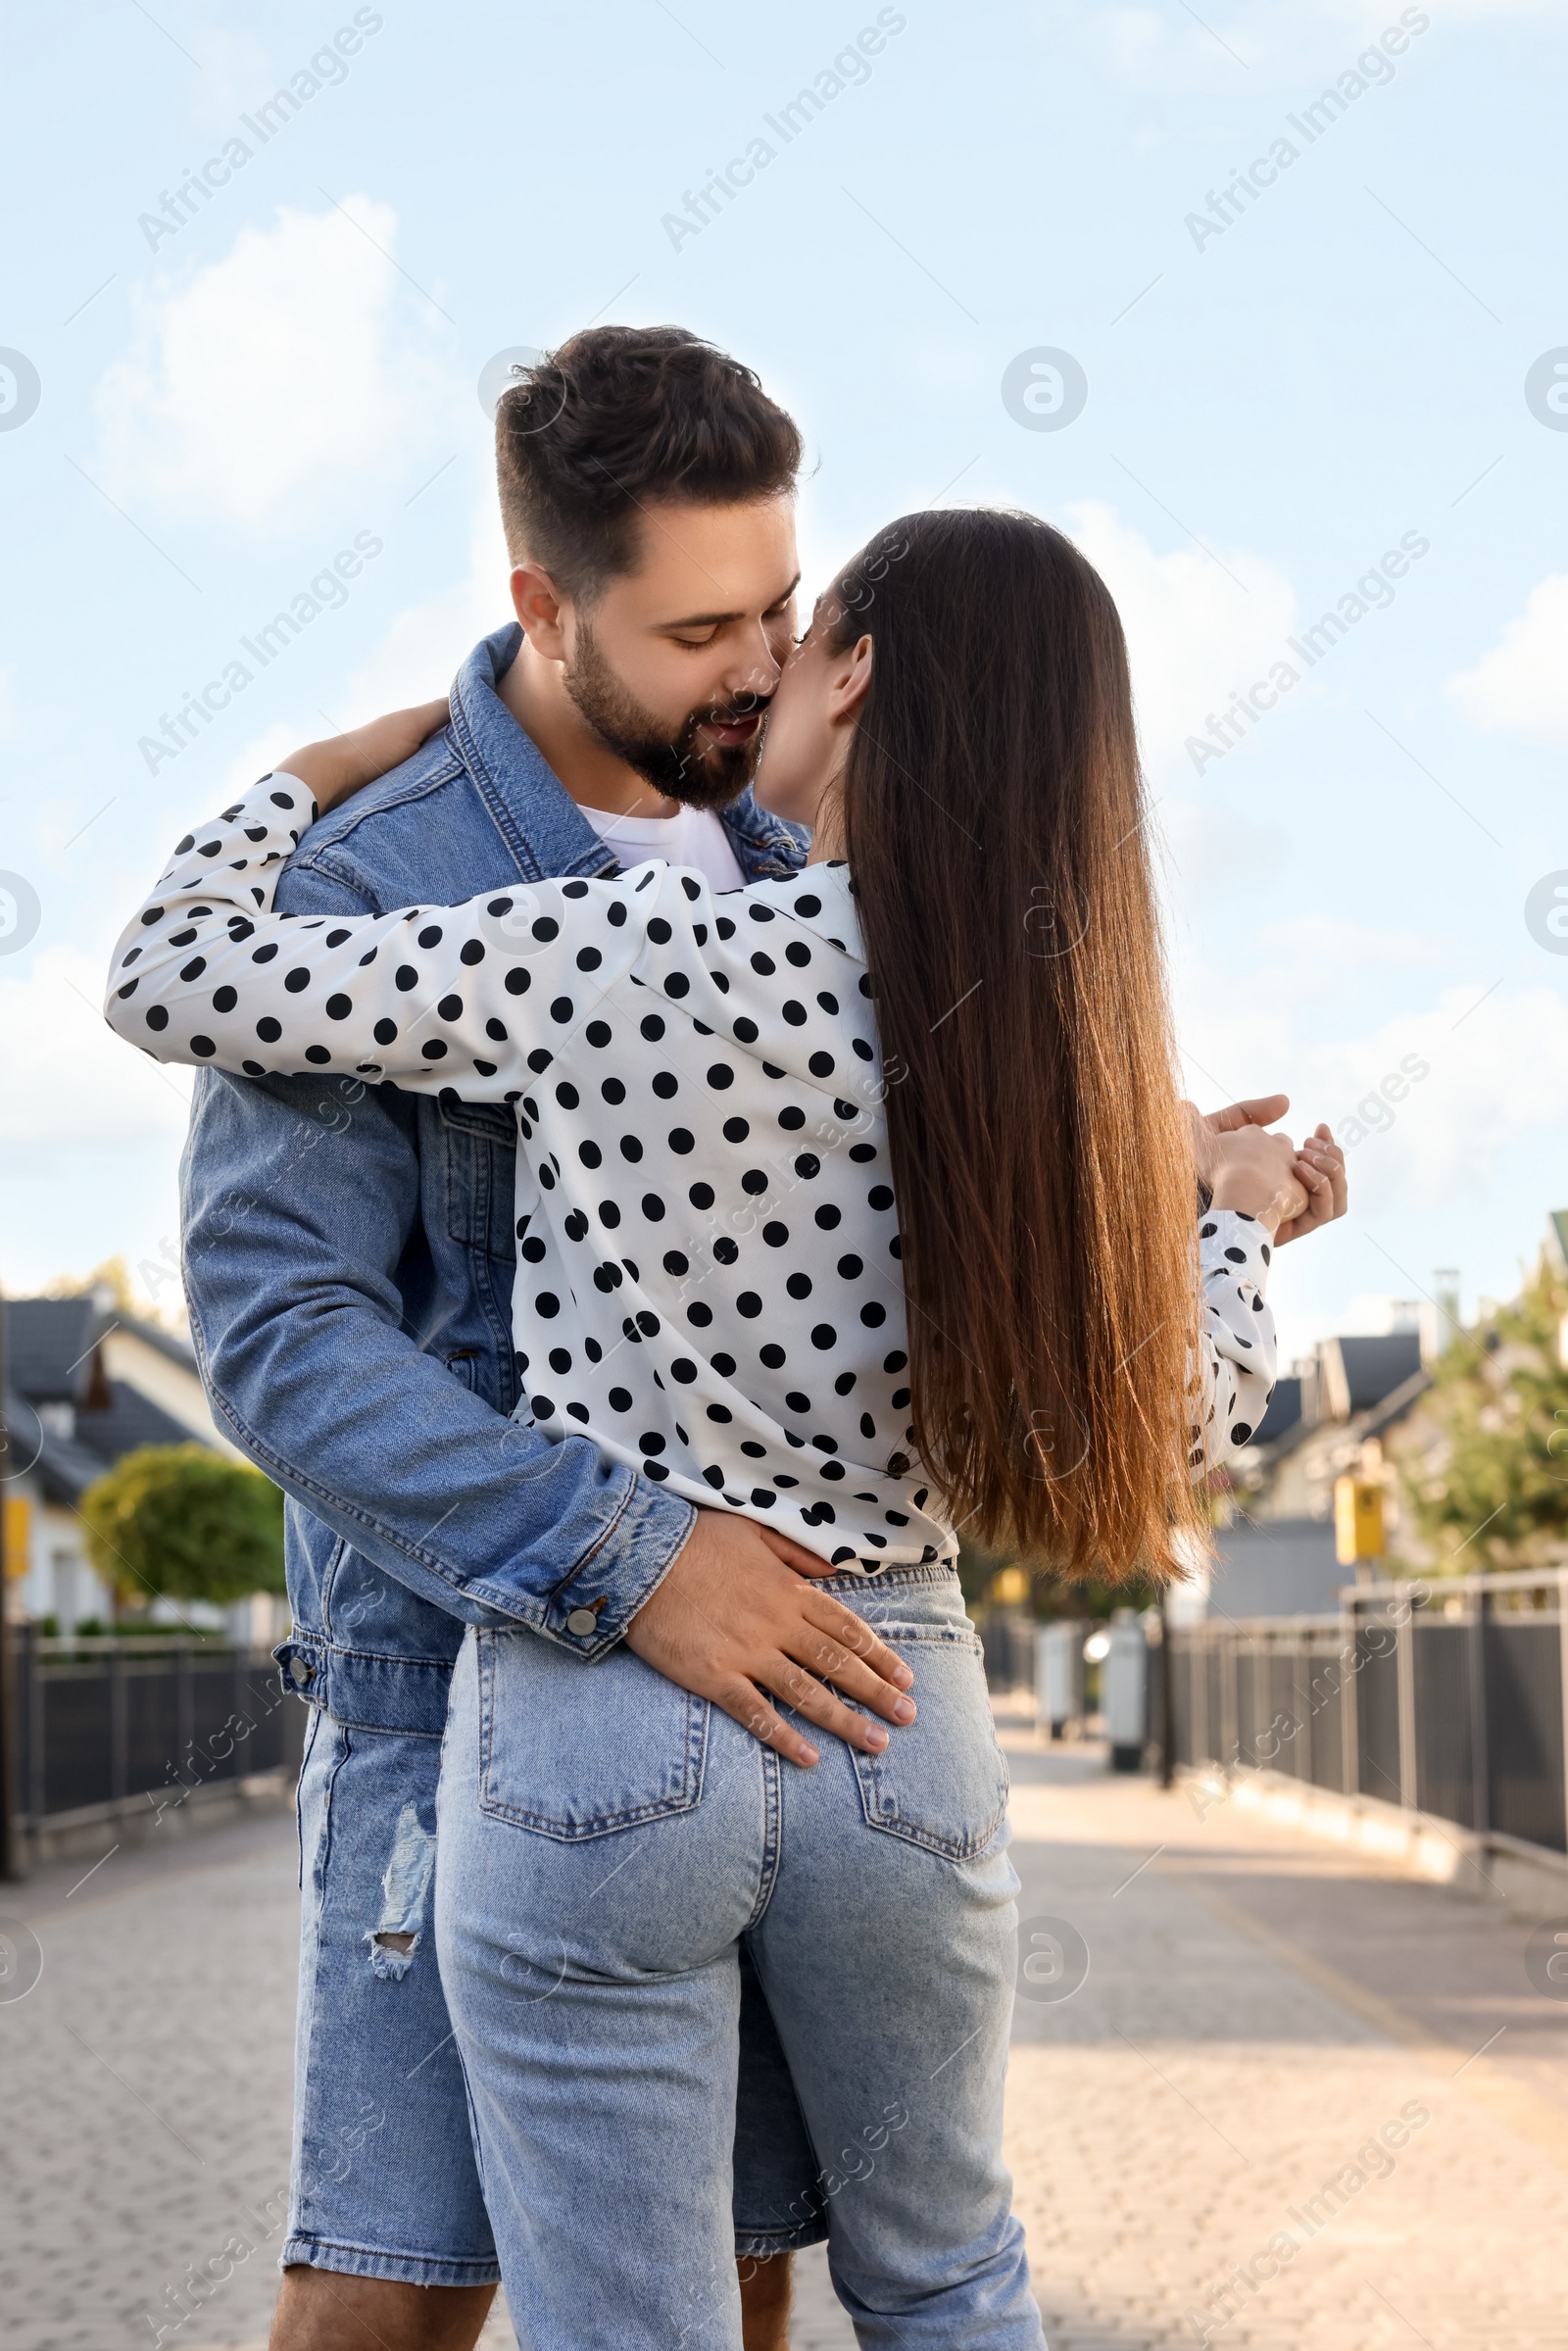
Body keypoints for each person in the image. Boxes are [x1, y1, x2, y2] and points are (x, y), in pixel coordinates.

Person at [108, 505, 1346, 2347]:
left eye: (801, 623)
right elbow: (1196, 1415)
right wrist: (1233, 1211)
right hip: (895, 1721)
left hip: (597, 1725)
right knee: (951, 2283)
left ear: (851, 678)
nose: (765, 661)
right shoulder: (1042, 1076)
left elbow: (169, 977)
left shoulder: (619, 954)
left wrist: (311, 776)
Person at [170, 326, 917, 2351]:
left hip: (782, 1686)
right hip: (457, 1689)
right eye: (692, 629)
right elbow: (277, 1334)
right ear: (541, 604)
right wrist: (624, 1554)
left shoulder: (797, 846)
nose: (753, 666)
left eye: (777, 602)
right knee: (390, 2298)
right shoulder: (370, 877)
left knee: (730, 2278)